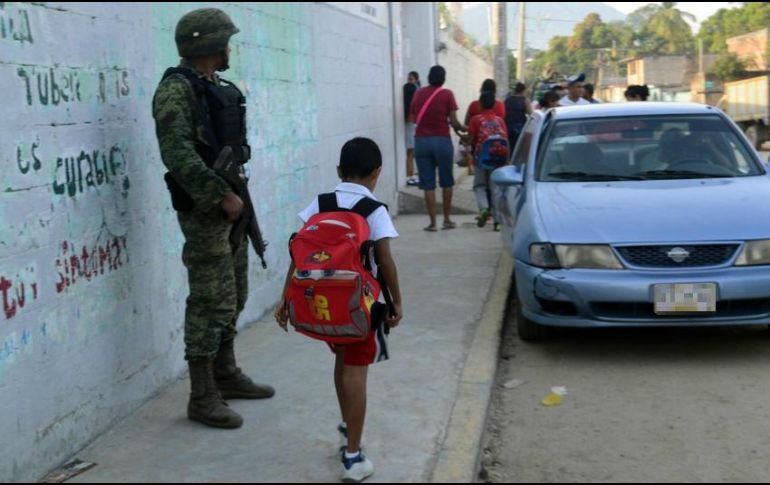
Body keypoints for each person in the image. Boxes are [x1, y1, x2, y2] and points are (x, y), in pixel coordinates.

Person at [152, 8, 274, 430]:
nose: (228, 49)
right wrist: (218, 193)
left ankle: (226, 374)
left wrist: (233, 191)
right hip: (206, 210)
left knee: (235, 292)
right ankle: (202, 396)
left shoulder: (214, 87)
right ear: (207, 45)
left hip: (232, 202)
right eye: (224, 41)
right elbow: (178, 153)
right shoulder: (174, 91)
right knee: (209, 300)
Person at [275, 138, 403, 483]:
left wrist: (286, 297)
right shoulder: (374, 210)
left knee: (342, 361)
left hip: (325, 306)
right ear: (377, 173)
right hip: (361, 306)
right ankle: (353, 456)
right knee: (357, 371)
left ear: (338, 171)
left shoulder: (320, 202)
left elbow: (298, 252)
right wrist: (397, 301)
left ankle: (349, 426)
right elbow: (385, 261)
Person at [409, 65, 467, 232]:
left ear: (428, 77)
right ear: (443, 78)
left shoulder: (418, 93)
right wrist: (466, 130)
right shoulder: (447, 94)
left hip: (421, 141)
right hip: (442, 142)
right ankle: (447, 220)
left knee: (427, 184)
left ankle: (433, 223)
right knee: (446, 182)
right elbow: (454, 122)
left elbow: (413, 114)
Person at [469, 91, 509, 232]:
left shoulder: (475, 120)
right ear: (493, 105)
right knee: (496, 189)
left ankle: (484, 208)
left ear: (480, 104)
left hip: (481, 158)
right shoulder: (500, 120)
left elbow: (471, 140)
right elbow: (506, 140)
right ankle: (498, 222)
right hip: (498, 158)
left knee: (479, 185)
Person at [463, 79, 506, 175]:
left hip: (479, 150)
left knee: (480, 181)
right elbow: (503, 133)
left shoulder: (474, 105)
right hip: (497, 149)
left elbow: (467, 123)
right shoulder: (500, 106)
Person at [403, 71, 421, 186]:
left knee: (412, 151)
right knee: (410, 151)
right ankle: (410, 176)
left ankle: (412, 175)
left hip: (413, 123)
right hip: (411, 123)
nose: (409, 81)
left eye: (411, 79)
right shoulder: (413, 89)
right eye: (409, 79)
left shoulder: (415, 89)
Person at [504, 81, 532, 151]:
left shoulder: (507, 100)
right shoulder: (525, 100)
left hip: (507, 126)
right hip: (520, 127)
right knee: (518, 147)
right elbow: (530, 113)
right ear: (523, 91)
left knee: (509, 146)